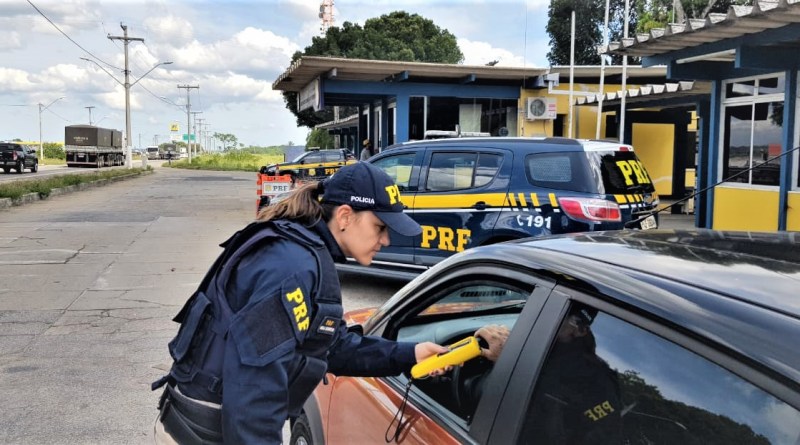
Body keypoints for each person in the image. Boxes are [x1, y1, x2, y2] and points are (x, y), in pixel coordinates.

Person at [151, 162, 450, 444]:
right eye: (380, 227)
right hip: (205, 432)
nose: (385, 240)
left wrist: (409, 354)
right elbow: (254, 389)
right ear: (345, 217)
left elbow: (328, 345)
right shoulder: (291, 266)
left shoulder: (304, 253)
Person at [521, 304, 623, 444]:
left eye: (562, 315)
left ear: (580, 330)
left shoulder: (592, 375)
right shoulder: (549, 347)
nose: (554, 319)